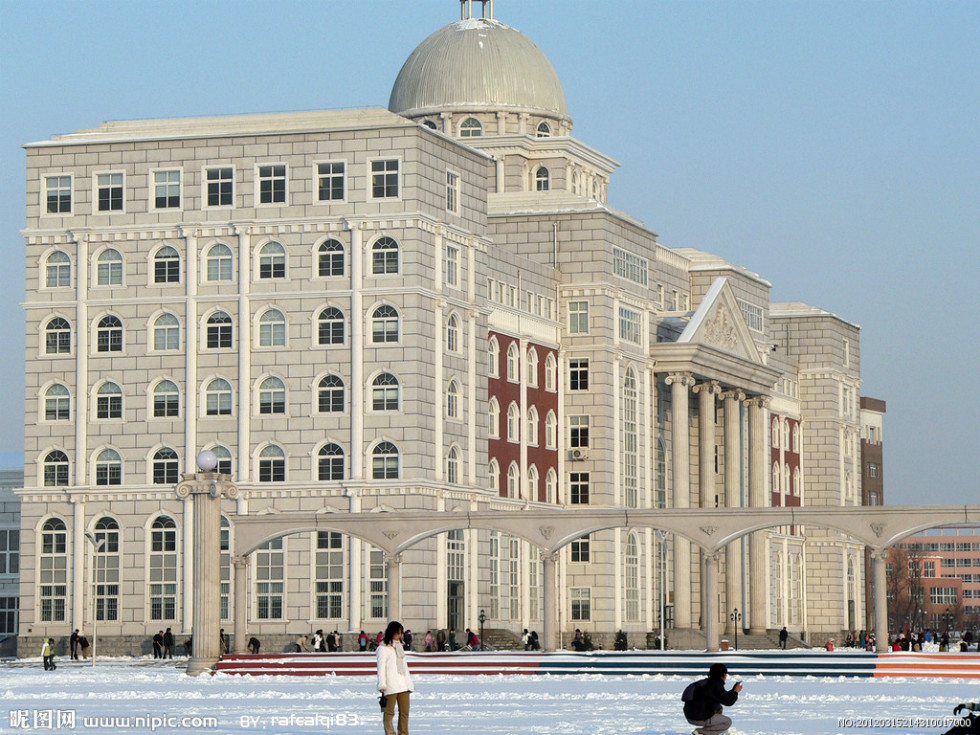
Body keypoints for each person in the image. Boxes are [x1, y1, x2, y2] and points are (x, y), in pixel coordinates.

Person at [377, 620, 414, 735]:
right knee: (389, 713)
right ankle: (390, 733)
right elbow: (381, 668)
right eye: (398, 633)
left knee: (404, 713)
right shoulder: (383, 648)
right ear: (392, 632)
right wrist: (382, 684)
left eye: (401, 633)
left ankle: (403, 733)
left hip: (403, 685)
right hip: (391, 685)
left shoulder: (399, 647)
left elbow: (405, 667)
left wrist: (409, 683)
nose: (400, 635)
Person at [683, 662, 742, 735]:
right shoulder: (715, 685)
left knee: (719, 708)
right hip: (698, 717)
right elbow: (728, 701)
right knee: (727, 722)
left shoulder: (707, 683)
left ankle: (707, 731)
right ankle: (701, 732)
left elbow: (723, 696)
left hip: (690, 715)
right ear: (723, 675)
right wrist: (736, 691)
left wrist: (733, 690)